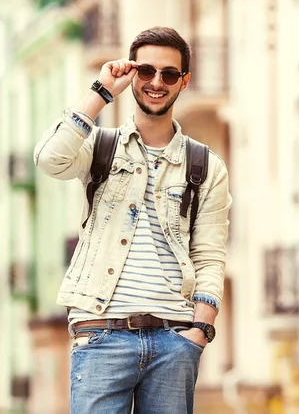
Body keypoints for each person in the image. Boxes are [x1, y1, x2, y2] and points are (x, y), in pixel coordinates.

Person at [33, 26, 232, 414]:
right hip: (101, 333)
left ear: (183, 82)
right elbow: (49, 159)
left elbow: (210, 254)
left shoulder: (206, 165)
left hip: (175, 339)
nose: (156, 82)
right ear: (132, 73)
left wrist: (199, 330)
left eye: (169, 74)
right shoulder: (99, 148)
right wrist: (102, 90)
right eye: (146, 71)